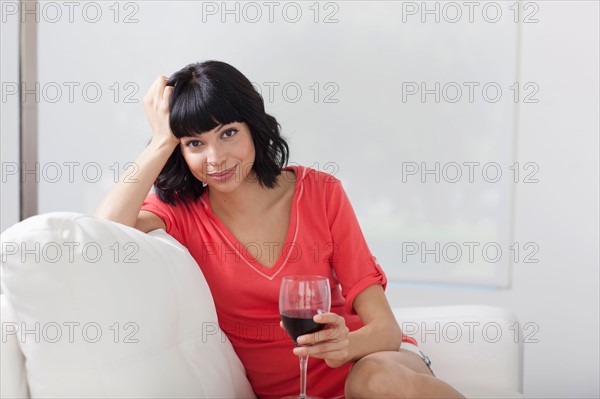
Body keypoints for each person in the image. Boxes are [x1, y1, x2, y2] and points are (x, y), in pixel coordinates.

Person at [95, 60, 465, 399]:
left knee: (373, 382)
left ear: (252, 126)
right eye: (195, 143)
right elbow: (102, 231)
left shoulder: (320, 193)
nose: (216, 158)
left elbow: (385, 330)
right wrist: (161, 139)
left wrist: (346, 345)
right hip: (289, 392)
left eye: (228, 133)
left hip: (374, 367)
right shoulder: (183, 213)